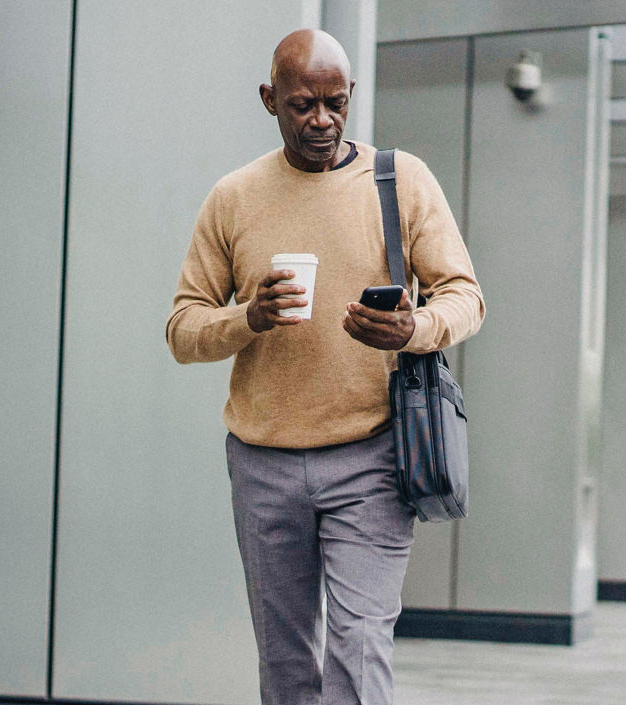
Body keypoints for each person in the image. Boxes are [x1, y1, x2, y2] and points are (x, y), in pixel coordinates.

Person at [166, 28, 484, 705]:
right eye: (301, 105)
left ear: (352, 98)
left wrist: (415, 328)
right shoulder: (234, 197)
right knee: (285, 662)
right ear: (268, 99)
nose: (321, 120)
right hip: (262, 462)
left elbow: (466, 296)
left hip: (370, 458)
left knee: (360, 645)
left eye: (335, 103)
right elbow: (183, 327)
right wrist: (246, 317)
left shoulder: (399, 182)